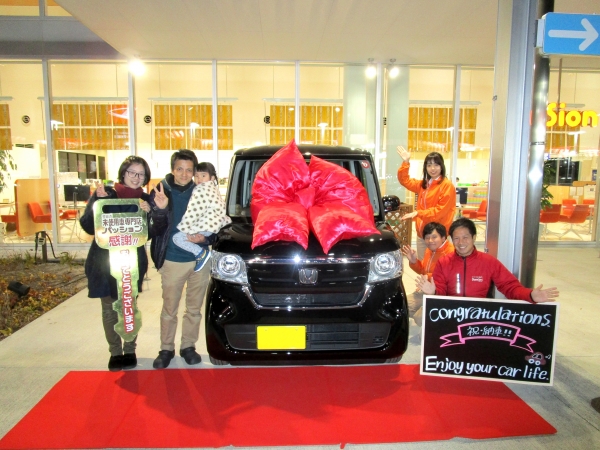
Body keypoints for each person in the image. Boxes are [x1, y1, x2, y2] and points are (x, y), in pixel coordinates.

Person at [80, 156, 169, 372]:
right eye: (132, 172)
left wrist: (155, 212)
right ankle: (115, 352)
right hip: (104, 262)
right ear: (123, 173)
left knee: (129, 306)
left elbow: (154, 231)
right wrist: (96, 201)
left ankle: (129, 350)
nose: (136, 178)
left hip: (131, 263)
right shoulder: (106, 194)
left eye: (141, 174)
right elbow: (88, 226)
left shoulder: (146, 200)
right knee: (109, 309)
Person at [150, 149, 218, 369]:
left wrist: (206, 239)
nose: (184, 174)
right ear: (173, 169)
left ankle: (188, 346)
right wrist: (160, 210)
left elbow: (216, 223)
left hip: (200, 261)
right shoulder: (161, 191)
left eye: (189, 170)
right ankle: (166, 348)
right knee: (169, 308)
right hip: (173, 259)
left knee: (194, 309)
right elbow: (153, 229)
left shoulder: (203, 190)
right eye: (180, 169)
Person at [417, 217, 560, 303]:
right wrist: (433, 292)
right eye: (456, 238)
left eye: (465, 237)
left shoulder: (488, 262)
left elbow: (510, 286)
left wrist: (530, 295)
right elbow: (441, 292)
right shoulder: (444, 262)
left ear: (474, 238)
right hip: (451, 314)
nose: (461, 242)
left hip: (481, 315)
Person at [397, 146, 456, 260]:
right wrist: (406, 162)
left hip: (437, 235)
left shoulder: (447, 186)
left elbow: (440, 211)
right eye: (429, 165)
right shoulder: (424, 184)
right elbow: (404, 180)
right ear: (425, 167)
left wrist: (418, 213)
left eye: (436, 165)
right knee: (423, 266)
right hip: (422, 235)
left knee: (438, 267)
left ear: (442, 166)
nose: (432, 168)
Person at [172, 162, 231, 272]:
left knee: (177, 238)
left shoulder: (201, 189)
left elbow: (194, 210)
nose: (199, 179)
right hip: (214, 226)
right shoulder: (213, 189)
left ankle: (201, 253)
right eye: (196, 176)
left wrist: (185, 226)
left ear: (212, 177)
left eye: (203, 175)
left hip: (205, 226)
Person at [401, 221, 454, 327]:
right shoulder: (429, 250)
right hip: (426, 290)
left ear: (443, 237)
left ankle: (439, 322)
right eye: (427, 237)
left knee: (420, 318)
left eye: (434, 237)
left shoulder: (451, 253)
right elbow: (423, 271)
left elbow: (447, 277)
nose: (430, 241)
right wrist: (414, 261)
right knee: (402, 306)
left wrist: (428, 277)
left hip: (441, 294)